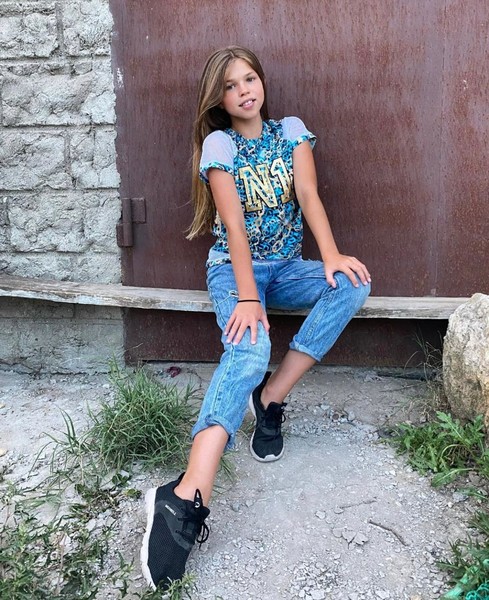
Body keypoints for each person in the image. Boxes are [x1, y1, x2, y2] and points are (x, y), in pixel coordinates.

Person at [140, 45, 371, 591]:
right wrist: (248, 297)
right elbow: (235, 225)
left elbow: (308, 195)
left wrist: (331, 256)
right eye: (230, 85)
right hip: (233, 270)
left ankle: (269, 399)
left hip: (286, 266)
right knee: (249, 348)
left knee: (353, 284)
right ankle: (185, 493)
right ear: (218, 99)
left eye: (249, 79)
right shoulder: (220, 144)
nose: (244, 90)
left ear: (262, 82)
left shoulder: (290, 132)